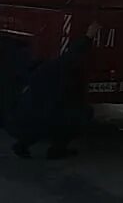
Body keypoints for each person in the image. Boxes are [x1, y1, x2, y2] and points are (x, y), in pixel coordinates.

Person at [9, 22, 99, 159]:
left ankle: (23, 145)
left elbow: (70, 57)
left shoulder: (44, 72)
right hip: (45, 115)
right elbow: (72, 56)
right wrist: (88, 37)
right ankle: (57, 149)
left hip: (28, 118)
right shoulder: (62, 72)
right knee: (78, 116)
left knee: (40, 121)